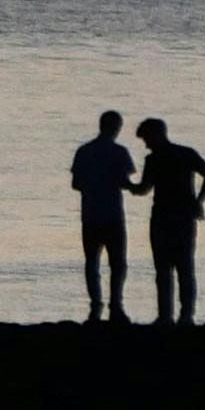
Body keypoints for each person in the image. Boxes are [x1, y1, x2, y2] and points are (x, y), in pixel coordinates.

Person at [129, 116, 205, 325]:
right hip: (182, 216)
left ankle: (167, 316)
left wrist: (125, 184)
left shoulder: (156, 159)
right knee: (183, 267)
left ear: (156, 135)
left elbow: (144, 188)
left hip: (165, 217)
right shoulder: (184, 153)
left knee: (165, 268)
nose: (146, 144)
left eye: (147, 139)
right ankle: (184, 315)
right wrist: (198, 201)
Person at [68, 109, 137, 323]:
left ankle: (95, 306)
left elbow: (75, 183)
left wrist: (93, 186)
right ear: (117, 128)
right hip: (113, 215)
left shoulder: (83, 151)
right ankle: (116, 304)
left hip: (90, 214)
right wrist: (139, 188)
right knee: (118, 263)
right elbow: (125, 182)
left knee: (92, 262)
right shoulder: (119, 152)